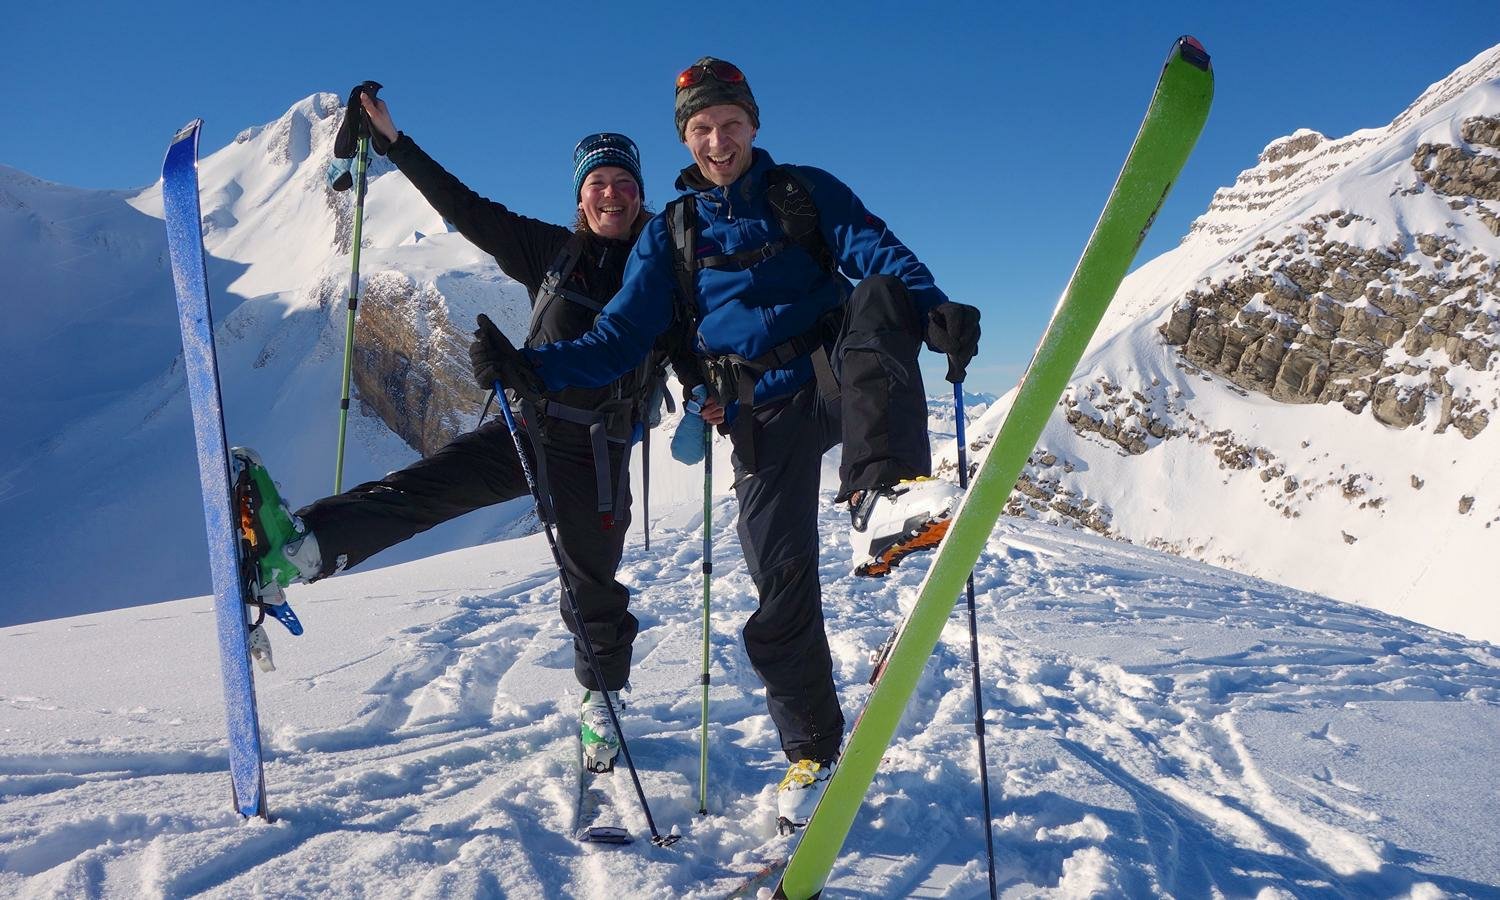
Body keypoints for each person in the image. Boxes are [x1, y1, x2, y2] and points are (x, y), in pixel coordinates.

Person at [473, 57, 981, 831]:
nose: (718, 142)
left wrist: (934, 308)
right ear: (687, 138)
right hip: (760, 413)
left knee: (880, 296)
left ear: (753, 125)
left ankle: (880, 493)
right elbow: (619, 336)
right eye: (703, 129)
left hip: (836, 376)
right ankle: (811, 752)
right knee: (780, 586)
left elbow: (877, 253)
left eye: (731, 124)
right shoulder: (672, 233)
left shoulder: (804, 191)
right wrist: (531, 368)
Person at [241, 88, 672, 773]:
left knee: (592, 585)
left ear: (641, 193)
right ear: (580, 196)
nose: (611, 195)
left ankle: (601, 702)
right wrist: (395, 144)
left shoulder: (664, 267)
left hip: (600, 448)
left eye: (624, 183)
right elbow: (467, 209)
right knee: (421, 491)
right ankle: (301, 552)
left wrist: (708, 397)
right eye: (598, 183)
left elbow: (696, 341)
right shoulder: (553, 252)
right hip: (529, 430)